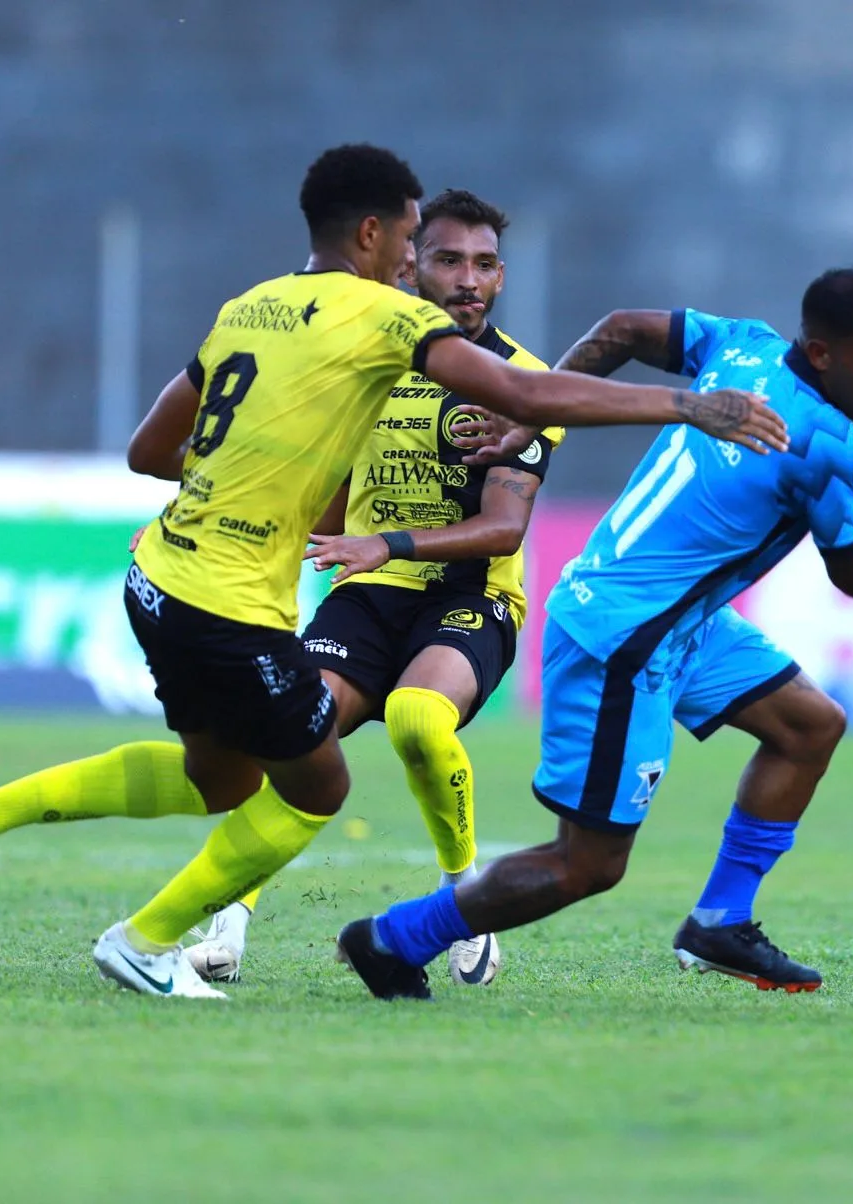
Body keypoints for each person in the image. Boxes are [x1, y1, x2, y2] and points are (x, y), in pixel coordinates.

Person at [0, 143, 786, 1001]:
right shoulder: (392, 323)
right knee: (318, 783)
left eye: (475, 261)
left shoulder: (250, 306)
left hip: (160, 573)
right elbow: (527, 397)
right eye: (418, 247)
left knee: (225, 776)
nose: (429, 269)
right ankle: (147, 941)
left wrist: (263, 484)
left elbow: (149, 450)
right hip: (234, 603)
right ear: (377, 238)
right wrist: (685, 403)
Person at [335, 268, 853, 1001]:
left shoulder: (743, 345)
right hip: (625, 638)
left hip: (678, 622)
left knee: (810, 725)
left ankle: (721, 921)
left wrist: (532, 420)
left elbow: (621, 326)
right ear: (818, 353)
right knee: (588, 865)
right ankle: (392, 939)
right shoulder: (823, 445)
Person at [183, 188, 558, 988]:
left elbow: (505, 529)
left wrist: (382, 541)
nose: (468, 279)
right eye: (449, 259)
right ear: (411, 264)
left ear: (502, 278)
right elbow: (319, 489)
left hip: (469, 596)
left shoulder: (521, 380)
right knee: (294, 734)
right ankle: (226, 923)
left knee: (420, 721)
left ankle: (466, 903)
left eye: (486, 264)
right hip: (367, 592)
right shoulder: (364, 362)